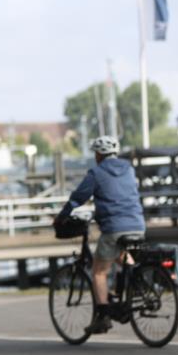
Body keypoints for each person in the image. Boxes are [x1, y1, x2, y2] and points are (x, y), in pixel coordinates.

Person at [55, 135, 146, 334]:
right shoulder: (129, 169)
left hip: (115, 226)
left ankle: (103, 315)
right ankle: (137, 284)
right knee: (119, 255)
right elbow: (121, 196)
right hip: (138, 224)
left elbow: (78, 197)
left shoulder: (96, 172)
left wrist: (62, 216)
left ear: (98, 154)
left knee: (98, 271)